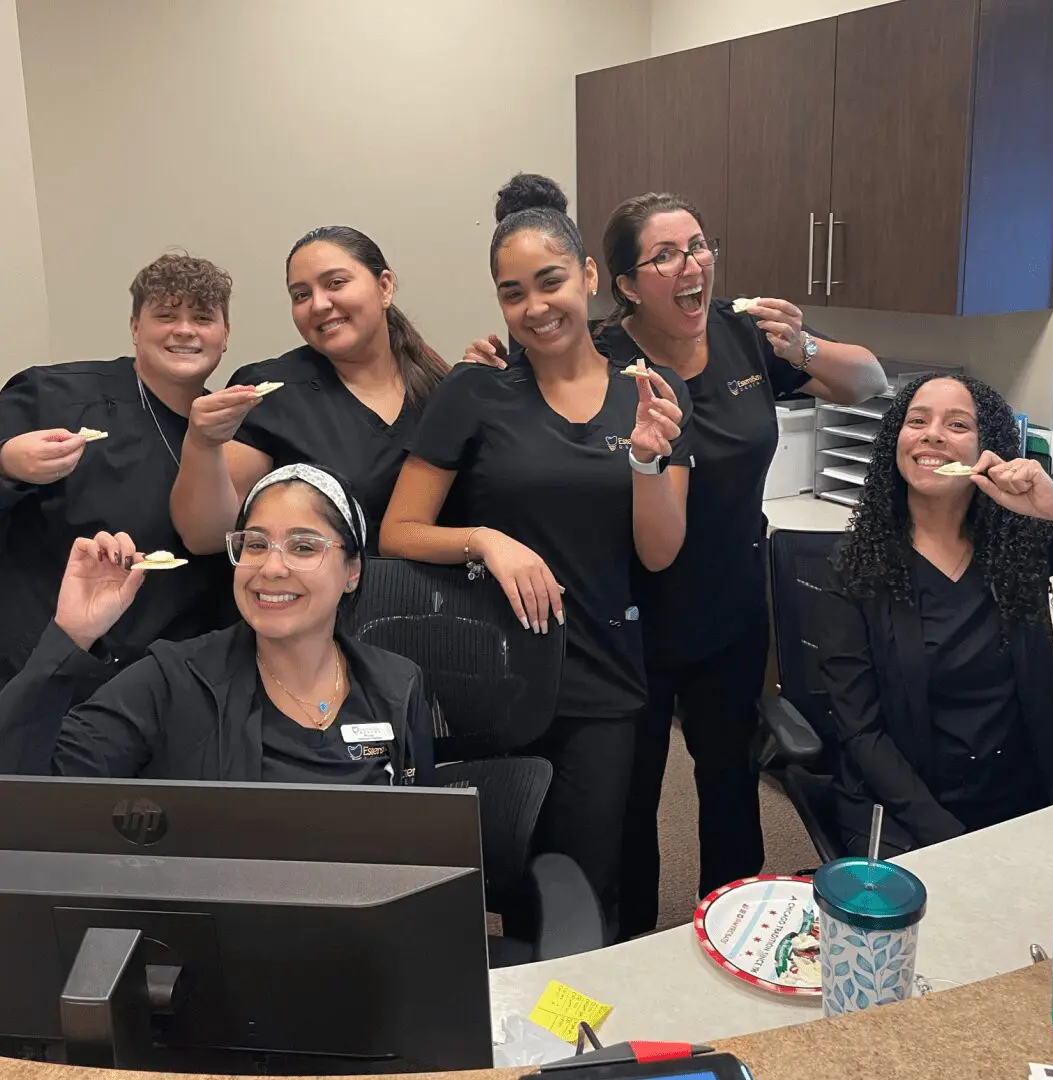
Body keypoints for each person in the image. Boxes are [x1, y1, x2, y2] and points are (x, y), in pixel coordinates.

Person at [464, 191, 886, 938]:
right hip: (632, 618)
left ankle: (736, 931)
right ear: (623, 283)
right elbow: (518, 391)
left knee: (730, 787)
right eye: (664, 256)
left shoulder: (743, 334)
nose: (690, 266)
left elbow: (868, 384)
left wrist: (807, 349)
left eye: (697, 246)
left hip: (732, 610)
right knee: (631, 800)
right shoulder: (599, 355)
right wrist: (491, 360)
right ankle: (633, 944)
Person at [380, 174, 691, 933]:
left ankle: (579, 1036)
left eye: (550, 281)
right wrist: (487, 539)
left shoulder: (651, 392)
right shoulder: (476, 394)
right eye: (512, 292)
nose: (535, 306)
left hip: (603, 678)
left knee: (586, 879)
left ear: (587, 276)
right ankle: (517, 1032)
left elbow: (658, 554)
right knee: (512, 877)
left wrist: (649, 461)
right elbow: (399, 532)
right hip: (499, 672)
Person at [0, 463, 433, 784]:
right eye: (256, 544)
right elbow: (26, 789)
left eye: (303, 547)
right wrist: (71, 634)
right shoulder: (172, 679)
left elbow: (425, 845)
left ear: (352, 571)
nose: (272, 568)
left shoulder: (396, 684)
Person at [818, 373, 1053, 857]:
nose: (933, 433)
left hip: (1019, 797)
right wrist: (952, 841)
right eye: (917, 420)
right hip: (906, 809)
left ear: (989, 449)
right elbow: (862, 730)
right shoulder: (858, 567)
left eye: (957, 424)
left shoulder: (1020, 546)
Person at [0, 253, 237, 688]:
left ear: (225, 335)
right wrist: (7, 460)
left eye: (202, 317)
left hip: (171, 682)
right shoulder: (55, 396)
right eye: (166, 315)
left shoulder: (235, 433)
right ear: (134, 327)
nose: (184, 329)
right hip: (42, 670)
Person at [171, 226, 450, 556]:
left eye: (335, 283)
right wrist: (202, 445)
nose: (318, 304)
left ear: (385, 287)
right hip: (325, 604)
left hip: (445, 601)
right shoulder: (269, 393)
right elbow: (206, 536)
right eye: (301, 295)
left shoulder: (441, 391)